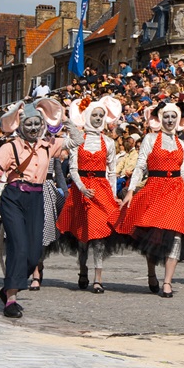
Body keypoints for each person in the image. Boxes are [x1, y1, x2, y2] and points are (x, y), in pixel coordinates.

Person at [117, 103, 184, 299]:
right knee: (153, 235)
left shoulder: (181, 144)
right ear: (161, 118)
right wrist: (131, 190)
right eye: (167, 116)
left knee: (176, 237)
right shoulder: (150, 138)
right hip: (155, 189)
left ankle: (167, 282)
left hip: (175, 192)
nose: (170, 120)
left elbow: (182, 174)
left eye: (174, 116)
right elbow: (140, 166)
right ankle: (151, 273)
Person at [0, 98, 67, 317]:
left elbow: (78, 141)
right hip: (14, 197)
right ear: (21, 125)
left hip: (36, 198)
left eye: (37, 123)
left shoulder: (49, 144)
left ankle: (10, 285)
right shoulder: (11, 147)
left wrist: (65, 120)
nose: (34, 128)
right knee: (18, 245)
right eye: (29, 124)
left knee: (34, 252)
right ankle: (11, 299)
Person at [57, 96, 123, 294]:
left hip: (101, 190)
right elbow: (74, 169)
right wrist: (82, 188)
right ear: (87, 116)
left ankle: (98, 277)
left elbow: (112, 172)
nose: (97, 118)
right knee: (83, 236)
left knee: (99, 236)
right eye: (94, 114)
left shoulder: (109, 143)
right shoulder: (79, 140)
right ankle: (83, 268)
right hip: (82, 189)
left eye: (100, 115)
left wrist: (112, 195)